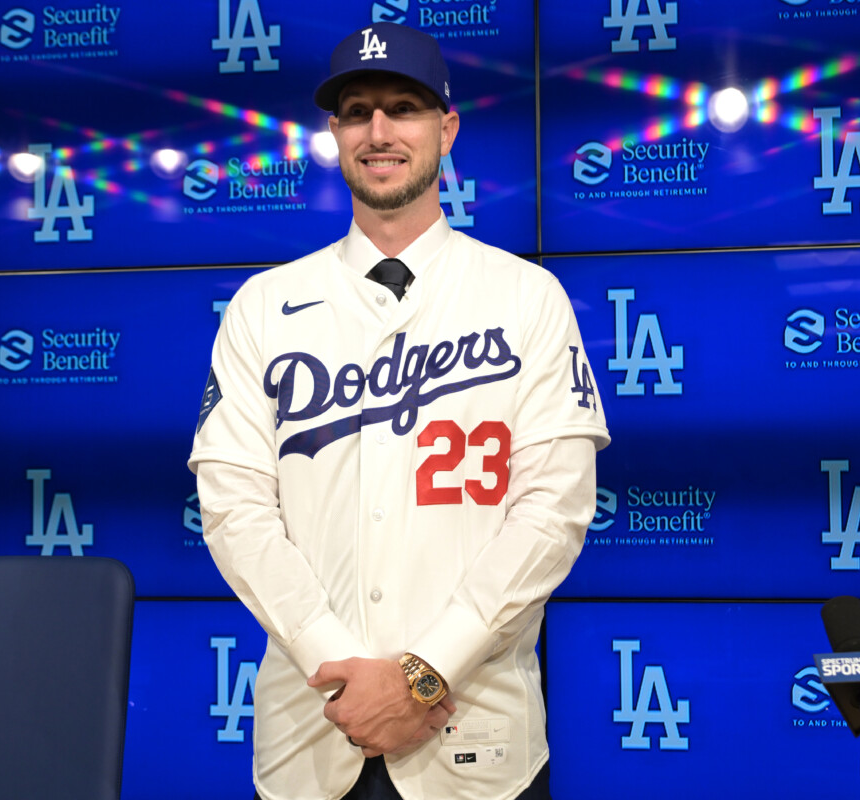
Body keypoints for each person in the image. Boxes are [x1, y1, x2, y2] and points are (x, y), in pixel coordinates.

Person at [188, 21, 610, 800]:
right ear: (336, 134)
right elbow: (234, 512)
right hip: (315, 730)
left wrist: (422, 672)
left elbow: (553, 512)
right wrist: (345, 672)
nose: (379, 131)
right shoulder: (263, 306)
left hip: (476, 731)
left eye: (403, 108)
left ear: (446, 129)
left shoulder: (526, 297)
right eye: (357, 110)